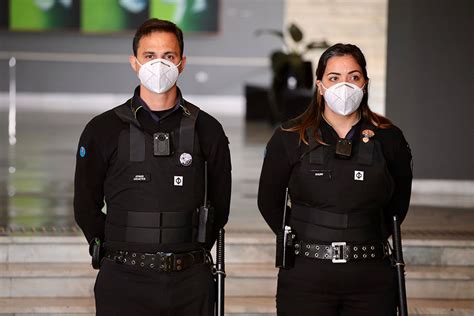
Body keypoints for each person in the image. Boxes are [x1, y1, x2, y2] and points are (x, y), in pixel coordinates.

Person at [74, 18, 232, 316]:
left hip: (190, 281)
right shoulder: (102, 129)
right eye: (149, 56)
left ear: (182, 63)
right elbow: (85, 205)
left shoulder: (208, 129)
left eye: (168, 56)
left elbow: (219, 206)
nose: (159, 65)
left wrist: (187, 250)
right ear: (134, 62)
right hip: (123, 279)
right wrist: (120, 248)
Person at [258, 43, 412, 316]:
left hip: (371, 274)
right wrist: (305, 235)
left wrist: (364, 234)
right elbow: (269, 202)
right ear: (319, 85)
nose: (345, 85)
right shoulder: (290, 137)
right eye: (334, 78)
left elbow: (398, 204)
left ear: (365, 83)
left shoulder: (390, 138)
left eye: (354, 77)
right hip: (306, 272)